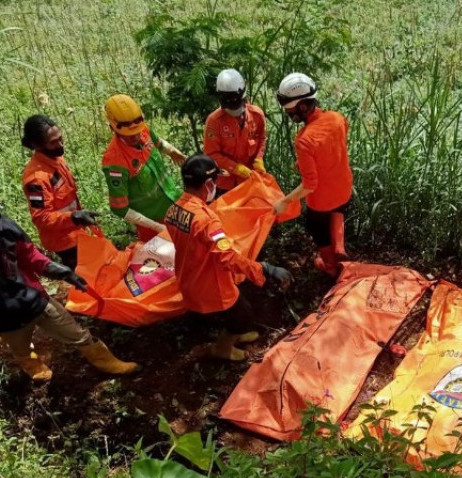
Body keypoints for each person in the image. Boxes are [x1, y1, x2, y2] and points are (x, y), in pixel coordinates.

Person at [165, 154, 292, 361]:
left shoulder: (174, 209)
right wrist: (264, 268)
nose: (216, 185)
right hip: (210, 284)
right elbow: (228, 257)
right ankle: (222, 348)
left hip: (188, 276)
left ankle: (234, 334)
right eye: (215, 181)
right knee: (243, 316)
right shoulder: (206, 221)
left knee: (238, 310)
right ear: (208, 184)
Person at [0, 212, 139, 381]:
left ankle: (105, 361)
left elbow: (29, 255)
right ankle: (33, 366)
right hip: (7, 319)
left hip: (35, 299)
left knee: (76, 333)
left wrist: (61, 272)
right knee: (21, 349)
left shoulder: (4, 225)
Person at [273, 73, 353, 276]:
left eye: (289, 110)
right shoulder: (337, 118)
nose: (289, 114)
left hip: (322, 200)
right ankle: (340, 246)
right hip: (344, 189)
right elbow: (333, 142)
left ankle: (331, 266)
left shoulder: (304, 140)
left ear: (302, 106)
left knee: (315, 226)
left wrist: (285, 201)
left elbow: (310, 185)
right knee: (339, 208)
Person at [101, 94, 186, 242]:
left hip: (174, 202)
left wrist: (172, 151)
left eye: (137, 130)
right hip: (152, 224)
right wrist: (157, 227)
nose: (135, 136)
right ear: (112, 128)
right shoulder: (115, 162)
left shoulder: (142, 129)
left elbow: (158, 142)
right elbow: (120, 208)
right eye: (129, 134)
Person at [21, 115, 100, 269]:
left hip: (76, 231)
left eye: (60, 138)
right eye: (53, 142)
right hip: (63, 241)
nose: (60, 144)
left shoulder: (56, 158)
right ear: (37, 145)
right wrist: (74, 217)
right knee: (85, 279)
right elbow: (42, 219)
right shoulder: (36, 179)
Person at [203, 68, 267, 197]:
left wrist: (259, 158)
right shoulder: (215, 121)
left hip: (250, 181)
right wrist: (235, 168)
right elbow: (211, 153)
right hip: (225, 185)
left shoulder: (257, 115)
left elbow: (262, 139)